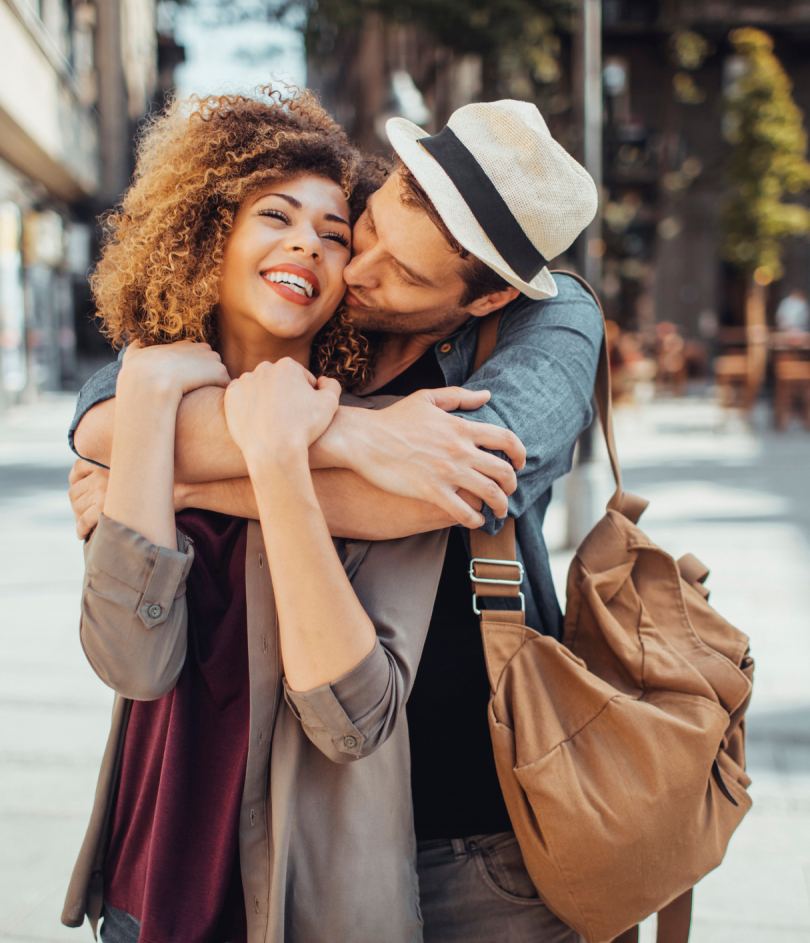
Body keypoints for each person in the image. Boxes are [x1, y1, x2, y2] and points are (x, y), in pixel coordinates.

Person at [69, 98, 603, 943]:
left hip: (481, 837)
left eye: (403, 276)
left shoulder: (550, 324)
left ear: (486, 296)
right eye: (370, 229)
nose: (354, 271)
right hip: (277, 830)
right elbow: (108, 405)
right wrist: (359, 432)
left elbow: (432, 493)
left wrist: (174, 478)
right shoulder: (309, 338)